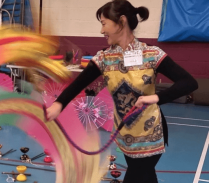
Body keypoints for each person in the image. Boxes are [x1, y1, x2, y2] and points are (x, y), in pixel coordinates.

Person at [46, 0, 198, 183]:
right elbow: (78, 84)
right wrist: (58, 105)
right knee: (147, 177)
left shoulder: (152, 54)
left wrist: (155, 97)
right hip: (125, 135)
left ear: (121, 22)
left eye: (104, 24)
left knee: (137, 176)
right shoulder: (104, 58)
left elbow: (189, 82)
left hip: (150, 134)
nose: (101, 31)